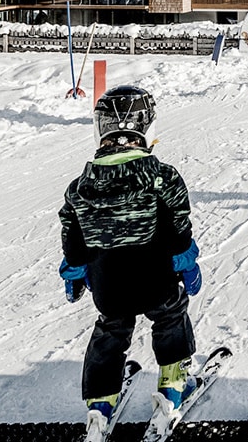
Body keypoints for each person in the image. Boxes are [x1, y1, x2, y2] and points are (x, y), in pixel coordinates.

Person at [59, 85, 204, 442]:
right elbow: (178, 230)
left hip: (109, 283)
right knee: (170, 318)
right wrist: (186, 262)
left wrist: (76, 271)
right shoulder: (163, 178)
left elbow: (72, 237)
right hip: (156, 279)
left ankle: (100, 404)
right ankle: (173, 389)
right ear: (148, 127)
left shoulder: (79, 188)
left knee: (111, 329)